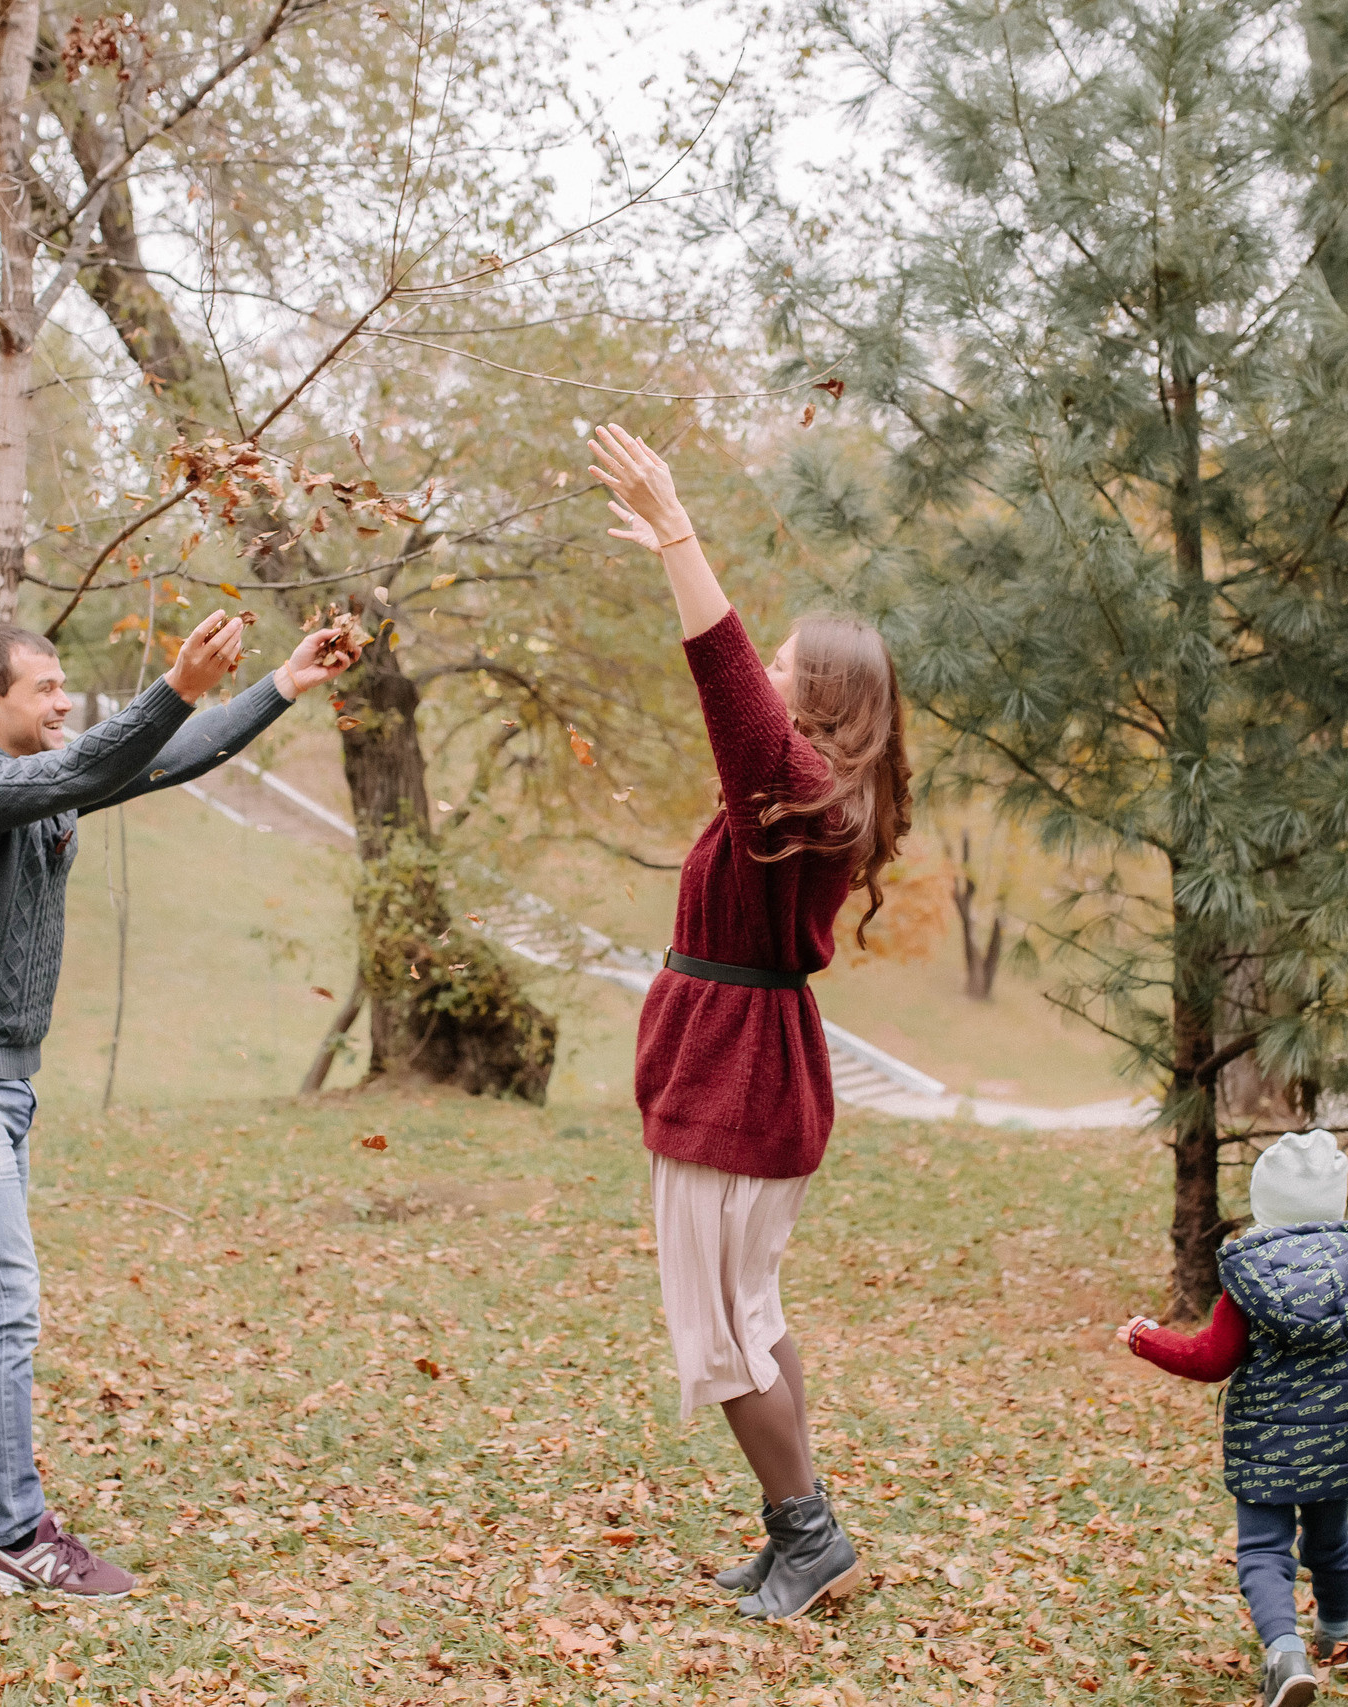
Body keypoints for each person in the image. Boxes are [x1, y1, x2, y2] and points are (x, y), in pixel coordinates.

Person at [0, 610, 353, 1598]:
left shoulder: (43, 781)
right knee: (3, 1298)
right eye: (43, 688)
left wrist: (281, 686)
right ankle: (14, 1539)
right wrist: (177, 685)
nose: (61, 701)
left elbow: (162, 759)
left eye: (61, 685)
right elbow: (91, 763)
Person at [587, 422, 911, 1622]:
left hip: (737, 1085)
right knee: (750, 1319)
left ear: (821, 700)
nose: (762, 678)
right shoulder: (811, 794)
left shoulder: (803, 788)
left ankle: (810, 1537)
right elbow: (737, 699)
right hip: (740, 1075)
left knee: (721, 1334)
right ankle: (795, 1532)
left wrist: (679, 534)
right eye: (767, 665)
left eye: (783, 669)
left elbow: (722, 685)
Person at [1116, 1128, 1348, 1707]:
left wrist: (1147, 1337)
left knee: (1264, 1552)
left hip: (1265, 1445)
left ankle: (1285, 1652)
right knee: (1331, 1543)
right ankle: (1336, 1629)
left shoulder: (1250, 1275)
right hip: (1339, 1442)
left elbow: (1210, 1359)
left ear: (1264, 1203)